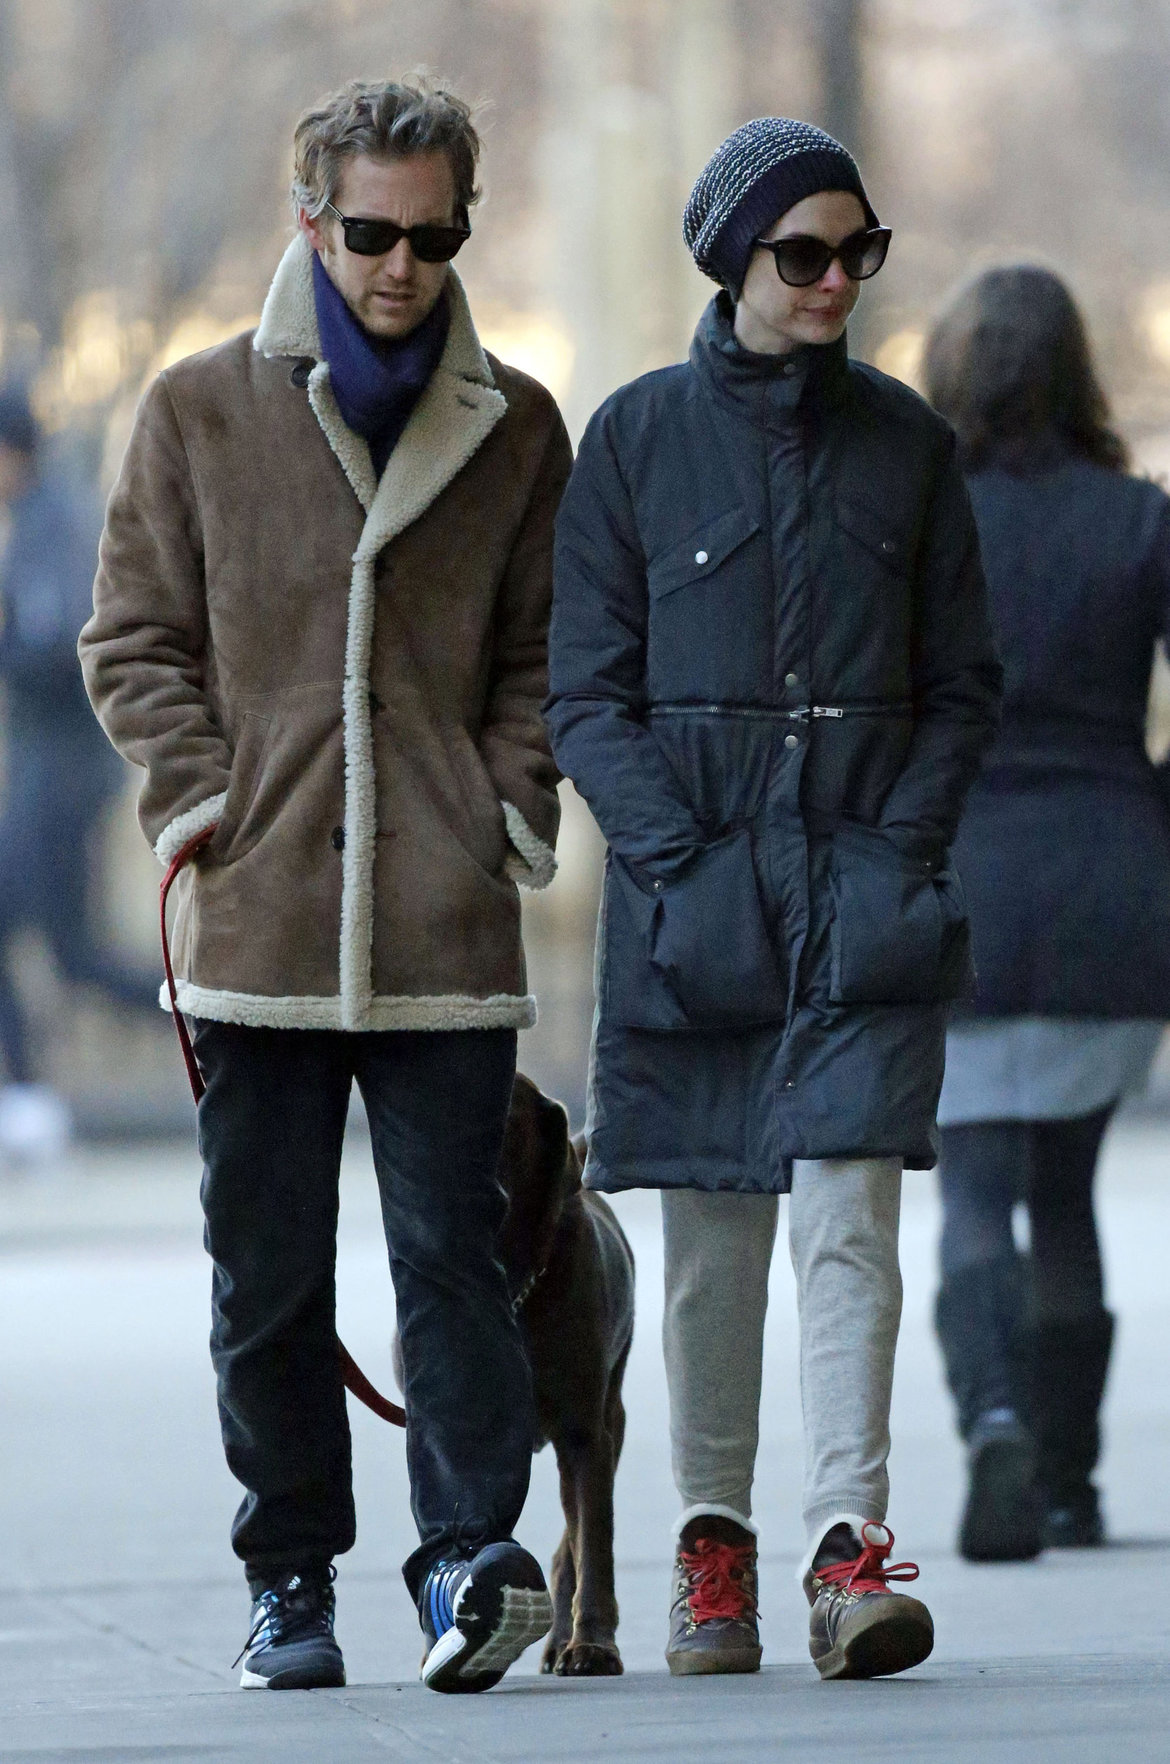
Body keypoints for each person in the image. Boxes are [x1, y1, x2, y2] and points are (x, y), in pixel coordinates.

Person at [80, 77, 572, 1692]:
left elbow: (543, 658)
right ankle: (291, 1574)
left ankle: (469, 1563)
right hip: (261, 914)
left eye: (437, 235)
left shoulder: (519, 426)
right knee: (268, 1276)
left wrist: (502, 811)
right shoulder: (200, 408)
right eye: (372, 230)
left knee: (457, 1260)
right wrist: (210, 797)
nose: (404, 264)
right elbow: (131, 640)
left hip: (443, 916)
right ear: (313, 218)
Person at [548, 117, 1001, 1682]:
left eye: (855, 251)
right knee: (712, 1235)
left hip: (862, 888)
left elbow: (962, 688)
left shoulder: (909, 448)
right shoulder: (631, 441)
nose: (832, 280)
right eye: (799, 253)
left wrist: (900, 852)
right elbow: (585, 697)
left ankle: (848, 1549)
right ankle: (713, 1550)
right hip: (703, 894)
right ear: (730, 260)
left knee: (852, 1225)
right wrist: (679, 866)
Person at [923, 265, 1170, 1562]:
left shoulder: (919, 521)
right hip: (1109, 895)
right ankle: (1067, 1485)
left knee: (971, 1184)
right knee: (1064, 1193)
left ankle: (996, 1418)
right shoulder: (1140, 520)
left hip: (954, 887)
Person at [0, 387, 159, 1164]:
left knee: (77, 956)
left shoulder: (55, 522)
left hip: (63, 777)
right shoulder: (37, 518)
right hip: (44, 774)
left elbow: (65, 643)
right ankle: (22, 1094)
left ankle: (213, 1023)